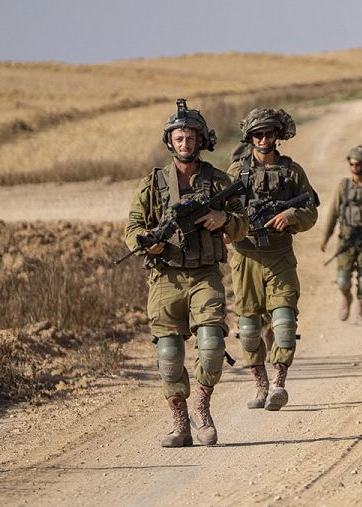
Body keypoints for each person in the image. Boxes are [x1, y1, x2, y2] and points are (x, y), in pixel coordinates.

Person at [124, 99, 248, 447]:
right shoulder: (154, 183)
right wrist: (146, 243)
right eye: (178, 138)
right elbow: (134, 225)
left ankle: (202, 408)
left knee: (211, 345)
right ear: (170, 141)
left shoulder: (218, 180)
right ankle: (180, 423)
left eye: (190, 137)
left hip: (206, 274)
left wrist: (226, 220)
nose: (185, 143)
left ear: (200, 139)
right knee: (168, 353)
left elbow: (243, 223)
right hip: (166, 277)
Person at [226, 108, 319, 411]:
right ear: (250, 137)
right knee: (250, 328)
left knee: (284, 322)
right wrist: (227, 229)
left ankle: (278, 383)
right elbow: (222, 214)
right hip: (245, 258)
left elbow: (311, 211)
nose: (264, 139)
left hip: (279, 255)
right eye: (258, 134)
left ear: (278, 135)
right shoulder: (235, 173)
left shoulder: (293, 172)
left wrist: (290, 216)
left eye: (269, 133)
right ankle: (260, 385)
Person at [320, 146, 362, 325]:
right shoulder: (343, 187)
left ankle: (360, 314)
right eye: (352, 164)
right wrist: (326, 237)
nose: (354, 167)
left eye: (358, 164)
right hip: (347, 239)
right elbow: (333, 213)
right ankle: (346, 298)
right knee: (343, 280)